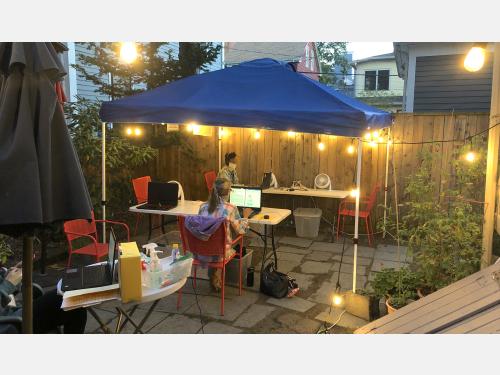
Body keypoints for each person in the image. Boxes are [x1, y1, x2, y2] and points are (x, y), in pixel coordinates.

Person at [0, 264, 87, 334]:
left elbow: (7, 292)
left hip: (12, 313)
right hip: (10, 324)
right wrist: (8, 284)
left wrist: (9, 277)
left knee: (73, 302)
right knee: (75, 307)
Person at [198, 178, 249, 291]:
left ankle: (214, 273)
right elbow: (241, 230)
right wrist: (245, 216)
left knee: (216, 238)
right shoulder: (230, 208)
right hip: (220, 253)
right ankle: (217, 273)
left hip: (201, 251)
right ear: (227, 192)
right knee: (235, 238)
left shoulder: (202, 207)